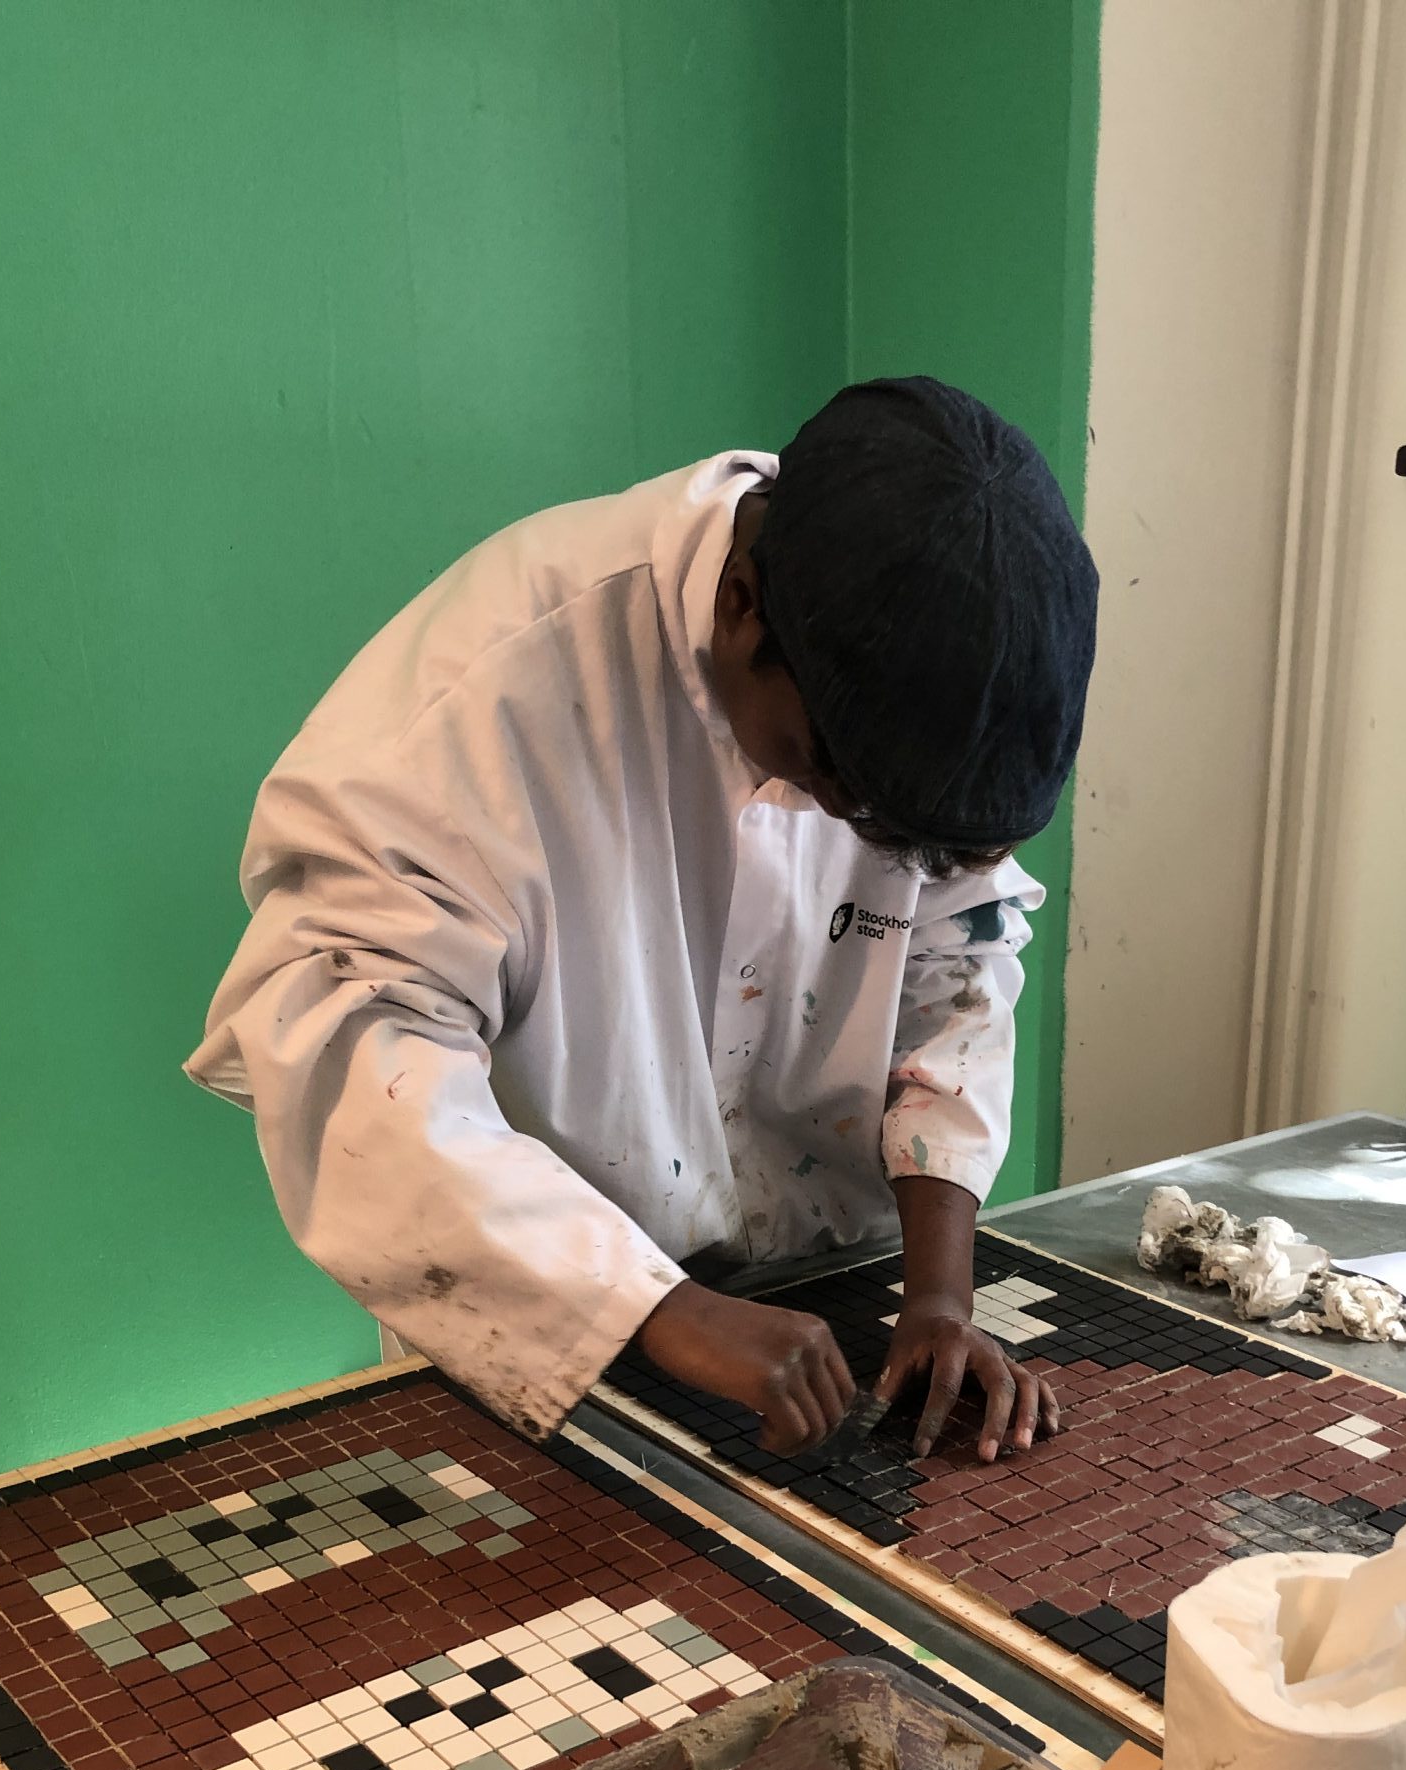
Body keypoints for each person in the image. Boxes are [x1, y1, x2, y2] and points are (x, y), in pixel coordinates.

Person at [186, 376, 1098, 1465]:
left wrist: (939, 1297)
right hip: (546, 1325)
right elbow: (354, 1058)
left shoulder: (922, 665)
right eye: (829, 781)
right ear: (742, 607)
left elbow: (958, 954)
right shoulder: (477, 701)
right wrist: (653, 1309)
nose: (850, 828)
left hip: (837, 1299)